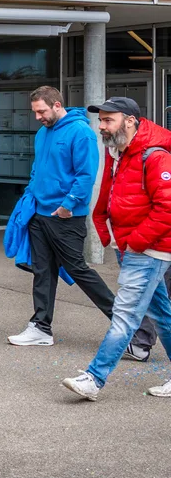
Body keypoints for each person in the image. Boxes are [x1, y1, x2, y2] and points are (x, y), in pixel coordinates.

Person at [63, 98, 171, 401]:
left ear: (130, 121)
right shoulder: (119, 152)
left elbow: (167, 208)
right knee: (162, 315)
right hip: (130, 245)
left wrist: (135, 243)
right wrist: (101, 225)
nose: (102, 126)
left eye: (109, 120)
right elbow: (108, 194)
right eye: (102, 120)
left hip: (147, 249)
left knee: (124, 315)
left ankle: (94, 378)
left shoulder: (155, 155)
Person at [9, 86, 129, 349]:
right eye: (35, 112)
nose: (38, 117)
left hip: (65, 216)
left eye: (41, 111)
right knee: (43, 271)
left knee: (78, 269)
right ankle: (41, 327)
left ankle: (125, 326)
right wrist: (31, 194)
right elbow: (37, 168)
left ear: (57, 105)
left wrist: (67, 206)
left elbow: (86, 175)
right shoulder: (43, 133)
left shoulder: (81, 132)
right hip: (39, 213)